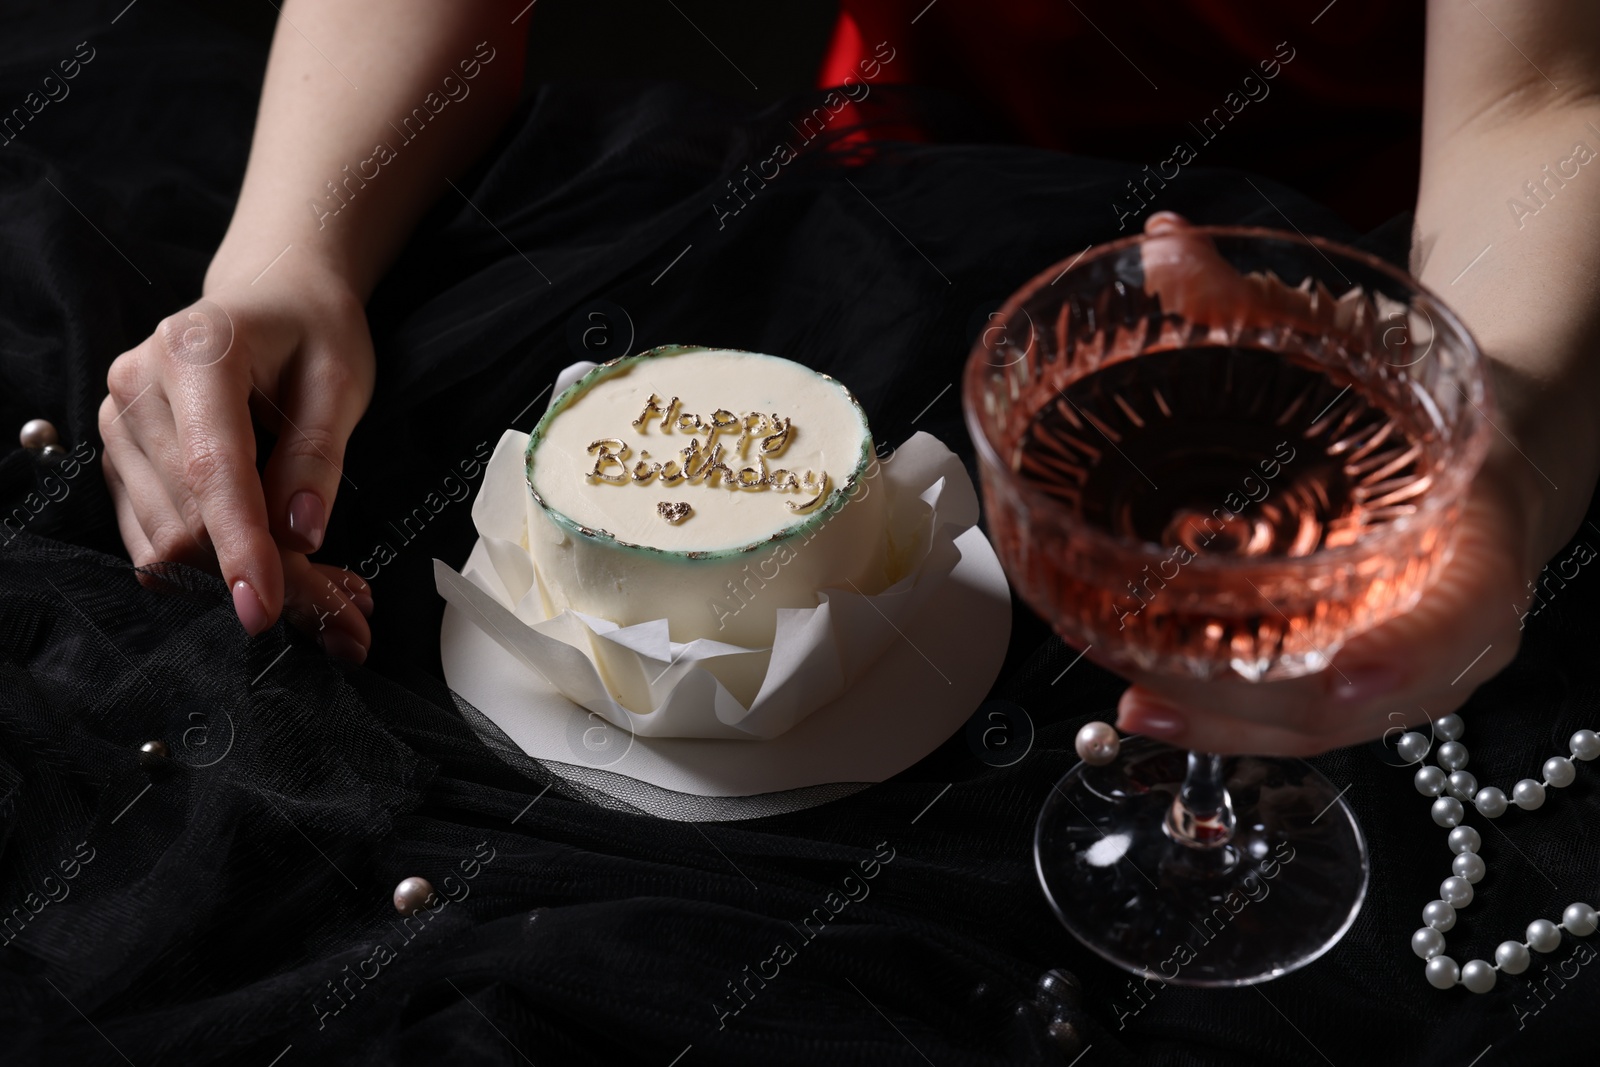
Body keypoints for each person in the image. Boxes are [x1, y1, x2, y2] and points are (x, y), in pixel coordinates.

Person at [98, 0, 1600, 756]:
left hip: (1388, 294)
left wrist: (1503, 438)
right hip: (867, 233)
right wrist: (287, 260)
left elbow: (1539, 90)